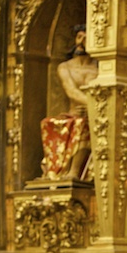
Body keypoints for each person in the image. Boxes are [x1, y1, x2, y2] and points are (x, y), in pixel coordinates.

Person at [40, 26, 97, 181]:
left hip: (93, 116)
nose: (80, 43)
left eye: (85, 38)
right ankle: (55, 170)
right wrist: (91, 104)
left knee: (82, 124)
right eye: (78, 37)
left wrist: (94, 109)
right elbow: (70, 91)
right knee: (47, 123)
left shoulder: (98, 68)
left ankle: (74, 171)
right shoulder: (65, 67)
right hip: (73, 113)